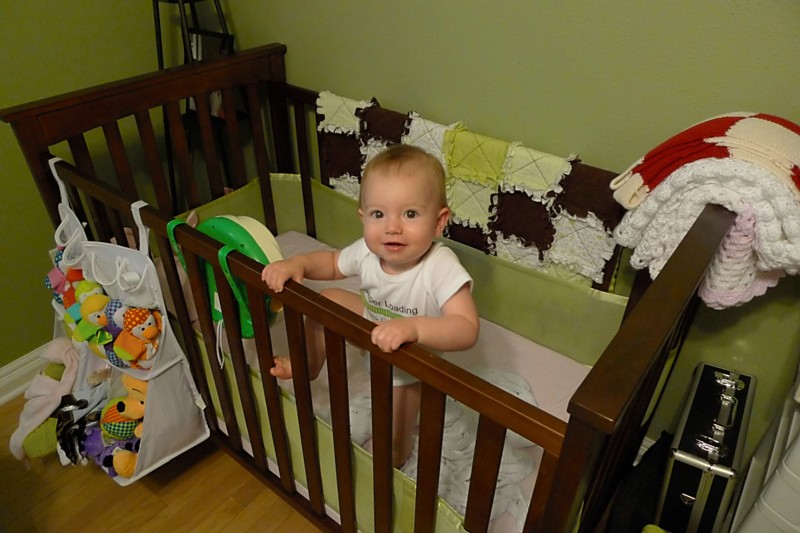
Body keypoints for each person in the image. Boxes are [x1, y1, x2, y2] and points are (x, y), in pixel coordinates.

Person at [261, 144, 479, 467]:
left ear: (438, 222)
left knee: (392, 439)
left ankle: (396, 453)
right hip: (371, 324)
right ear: (363, 217)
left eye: (410, 214)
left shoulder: (440, 265)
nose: (392, 227)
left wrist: (414, 328)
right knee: (328, 301)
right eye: (379, 214)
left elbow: (466, 327)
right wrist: (299, 264)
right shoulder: (367, 250)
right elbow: (333, 263)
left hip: (411, 360)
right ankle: (306, 363)